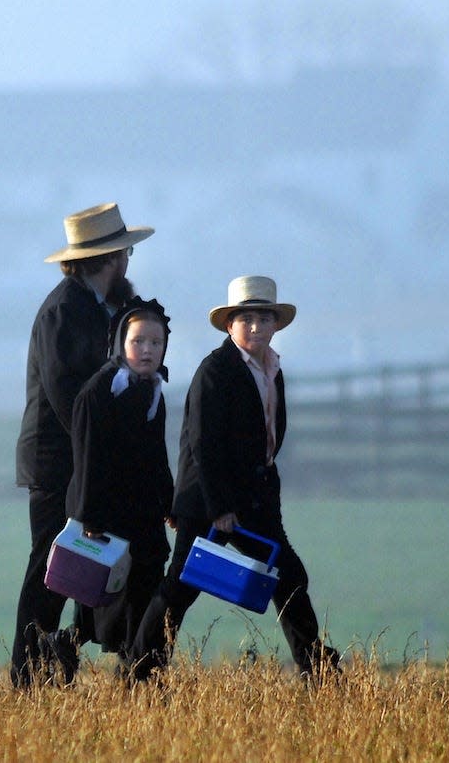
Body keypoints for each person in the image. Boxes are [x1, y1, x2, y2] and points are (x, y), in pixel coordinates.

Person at [131, 276, 341, 682]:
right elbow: (202, 445)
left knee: (288, 574)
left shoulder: (272, 368)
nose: (257, 327)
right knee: (181, 587)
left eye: (264, 318)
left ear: (276, 325)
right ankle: (141, 669)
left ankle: (317, 670)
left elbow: (270, 433)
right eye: (247, 319)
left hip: (255, 498)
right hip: (212, 500)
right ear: (230, 325)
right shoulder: (215, 371)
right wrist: (220, 508)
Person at [10, 202, 154, 688]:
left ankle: (61, 655)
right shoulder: (63, 311)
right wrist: (108, 447)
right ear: (112, 259)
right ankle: (26, 678)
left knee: (94, 566)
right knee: (50, 570)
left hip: (85, 461)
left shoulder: (97, 308)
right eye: (125, 254)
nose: (129, 263)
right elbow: (69, 398)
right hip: (58, 465)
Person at [65, 297, 174, 680]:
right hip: (108, 514)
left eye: (155, 343)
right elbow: (87, 458)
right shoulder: (99, 392)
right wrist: (90, 515)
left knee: (145, 590)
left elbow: (158, 455)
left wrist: (169, 503)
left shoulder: (155, 391)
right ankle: (61, 655)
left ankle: (139, 672)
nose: (147, 351)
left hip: (144, 512)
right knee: (104, 599)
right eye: (138, 341)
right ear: (120, 344)